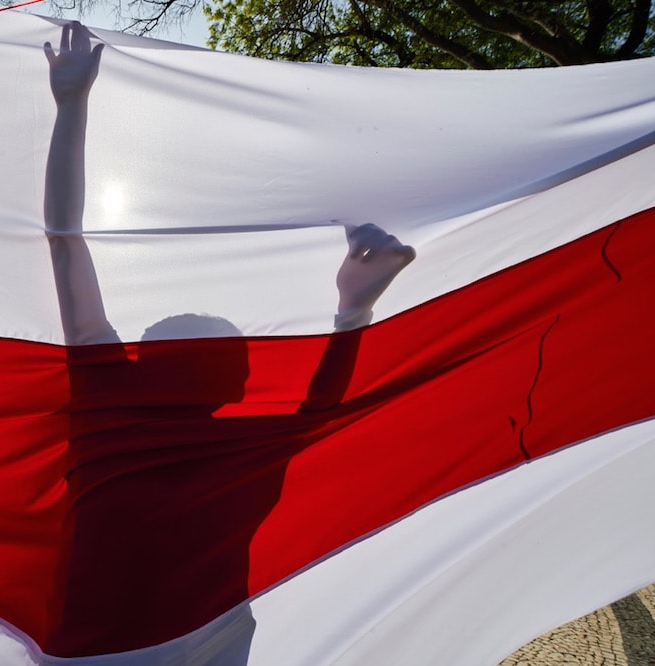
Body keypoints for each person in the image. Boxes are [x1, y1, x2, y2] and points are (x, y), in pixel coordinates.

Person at [42, 22, 416, 658]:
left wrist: (72, 109)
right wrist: (352, 312)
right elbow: (321, 413)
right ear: (241, 381)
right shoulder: (232, 449)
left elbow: (64, 237)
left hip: (115, 648)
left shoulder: (111, 413)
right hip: (192, 646)